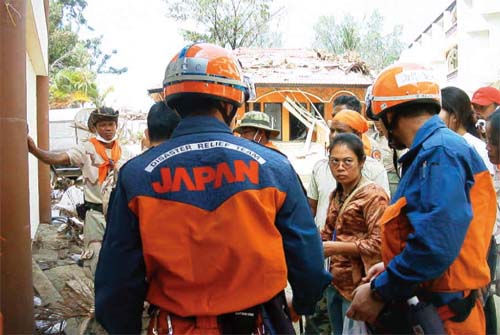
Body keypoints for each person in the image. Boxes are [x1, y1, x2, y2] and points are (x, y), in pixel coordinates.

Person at [95, 43, 332, 334]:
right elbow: (307, 259)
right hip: (258, 324)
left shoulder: (136, 175)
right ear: (231, 101)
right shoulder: (274, 168)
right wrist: (303, 304)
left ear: (173, 99)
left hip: (174, 326)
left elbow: (116, 280)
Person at [347, 63, 497, 335]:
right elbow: (435, 232)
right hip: (436, 311)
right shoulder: (435, 151)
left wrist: (380, 291)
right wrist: (393, 264)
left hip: (445, 319)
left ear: (390, 115)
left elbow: (435, 245)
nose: (379, 129)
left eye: (378, 121)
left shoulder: (439, 155)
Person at [304, 110, 389, 335]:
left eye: (347, 161)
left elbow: (380, 243)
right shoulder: (336, 193)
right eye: (335, 162)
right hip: (335, 280)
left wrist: (337, 248)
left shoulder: (373, 195)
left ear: (361, 162)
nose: (340, 167)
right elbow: (326, 231)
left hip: (361, 284)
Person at [28, 106, 130, 277]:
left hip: (119, 215)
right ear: (95, 128)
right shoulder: (86, 149)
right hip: (95, 215)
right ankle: (98, 300)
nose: (108, 129)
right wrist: (35, 150)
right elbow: (58, 158)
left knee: (120, 262)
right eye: (103, 125)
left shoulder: (125, 153)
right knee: (96, 261)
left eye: (111, 124)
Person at [440, 86, 499, 334]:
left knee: (477, 305)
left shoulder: (466, 150)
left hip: (480, 242)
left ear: (452, 114)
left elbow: (484, 209)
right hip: (475, 242)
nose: (488, 146)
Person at [333, 95, 382, 162]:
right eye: (334, 116)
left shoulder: (372, 146)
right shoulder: (330, 142)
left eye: (343, 115)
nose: (337, 119)